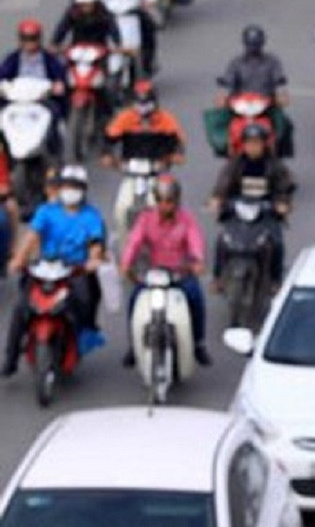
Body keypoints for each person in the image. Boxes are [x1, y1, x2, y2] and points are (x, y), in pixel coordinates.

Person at [2, 166, 106, 377]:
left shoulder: (91, 215)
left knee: (84, 300)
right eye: (67, 185)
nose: (71, 190)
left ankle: (81, 336)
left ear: (83, 190)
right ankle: (10, 359)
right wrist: (19, 259)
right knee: (21, 307)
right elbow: (31, 237)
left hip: (74, 271)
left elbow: (96, 244)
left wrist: (93, 260)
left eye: (76, 186)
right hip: (45, 269)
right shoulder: (47, 211)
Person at [120, 174, 210, 367]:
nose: (164, 206)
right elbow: (134, 242)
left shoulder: (186, 219)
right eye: (160, 201)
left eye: (169, 201)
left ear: (176, 201)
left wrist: (197, 260)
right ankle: (133, 346)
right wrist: (126, 264)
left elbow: (195, 240)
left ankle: (198, 343)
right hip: (154, 273)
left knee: (196, 297)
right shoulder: (146, 219)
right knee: (135, 300)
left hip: (180, 271)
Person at [209, 123, 293, 287]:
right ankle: (218, 278)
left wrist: (282, 203)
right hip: (238, 209)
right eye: (249, 143)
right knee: (222, 241)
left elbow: (284, 187)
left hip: (266, 211)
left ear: (264, 144)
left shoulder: (275, 166)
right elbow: (223, 183)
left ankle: (275, 281)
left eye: (256, 143)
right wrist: (217, 199)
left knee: (276, 243)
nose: (252, 147)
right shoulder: (235, 164)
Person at [0, 20, 69, 160]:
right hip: (16, 100)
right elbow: (3, 74)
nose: (29, 43)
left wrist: (58, 85)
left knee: (54, 116)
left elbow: (60, 75)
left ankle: (54, 157)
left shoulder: (49, 59)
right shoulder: (13, 58)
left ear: (39, 39)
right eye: (25, 39)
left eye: (32, 39)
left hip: (41, 99)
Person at [100, 81, 185, 169]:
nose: (143, 108)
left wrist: (177, 154)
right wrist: (106, 153)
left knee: (167, 179)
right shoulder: (125, 118)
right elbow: (109, 138)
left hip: (159, 166)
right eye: (139, 104)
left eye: (147, 103)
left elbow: (177, 140)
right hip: (130, 167)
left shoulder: (166, 119)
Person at [217, 25, 289, 108]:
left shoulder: (272, 62)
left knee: (282, 113)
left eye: (256, 44)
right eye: (250, 44)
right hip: (241, 104)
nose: (253, 47)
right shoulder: (236, 63)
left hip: (267, 103)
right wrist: (224, 85)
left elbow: (278, 77)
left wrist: (280, 86)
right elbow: (228, 78)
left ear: (262, 43)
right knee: (217, 114)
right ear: (245, 43)